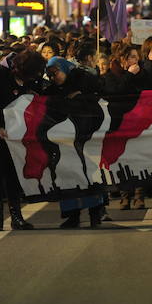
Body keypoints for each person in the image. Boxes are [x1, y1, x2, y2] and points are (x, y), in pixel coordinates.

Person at [0, 50, 46, 232]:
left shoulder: (28, 75)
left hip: (14, 129)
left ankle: (16, 216)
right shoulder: (0, 73)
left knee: (13, 170)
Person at [45, 56, 107, 229]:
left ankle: (95, 213)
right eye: (49, 75)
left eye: (55, 72)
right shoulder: (55, 89)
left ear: (63, 68)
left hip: (87, 134)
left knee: (89, 171)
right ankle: (73, 215)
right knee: (67, 173)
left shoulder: (84, 78)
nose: (53, 78)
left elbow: (101, 95)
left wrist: (82, 97)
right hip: (66, 138)